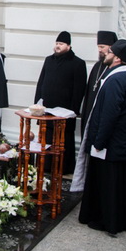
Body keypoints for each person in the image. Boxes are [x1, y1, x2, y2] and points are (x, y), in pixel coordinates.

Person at [73, 39, 126, 237]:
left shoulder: (116, 80)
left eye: (109, 52)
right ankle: (121, 217)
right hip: (119, 143)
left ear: (116, 57)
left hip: (110, 145)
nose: (105, 54)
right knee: (118, 183)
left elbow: (109, 115)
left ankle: (107, 220)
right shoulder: (124, 77)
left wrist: (99, 142)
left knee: (109, 184)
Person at [34, 31, 87, 174]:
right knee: (47, 137)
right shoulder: (48, 60)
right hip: (47, 108)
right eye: (57, 43)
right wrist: (37, 104)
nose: (57, 46)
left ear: (68, 46)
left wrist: (73, 111)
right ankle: (45, 166)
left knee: (63, 139)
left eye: (61, 44)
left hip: (65, 111)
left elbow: (79, 90)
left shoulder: (78, 64)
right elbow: (41, 83)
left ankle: (63, 167)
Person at [81, 31, 118, 137]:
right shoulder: (97, 66)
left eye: (102, 46)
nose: (99, 50)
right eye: (98, 47)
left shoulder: (114, 67)